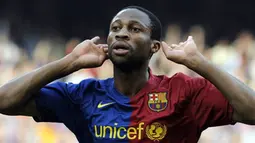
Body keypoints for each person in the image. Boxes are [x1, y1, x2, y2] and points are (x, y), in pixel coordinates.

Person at [0, 6, 255, 143]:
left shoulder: (184, 92)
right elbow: (5, 100)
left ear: (154, 46)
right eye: (115, 28)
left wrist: (200, 63)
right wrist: (68, 63)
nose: (121, 34)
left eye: (135, 29)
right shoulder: (83, 95)